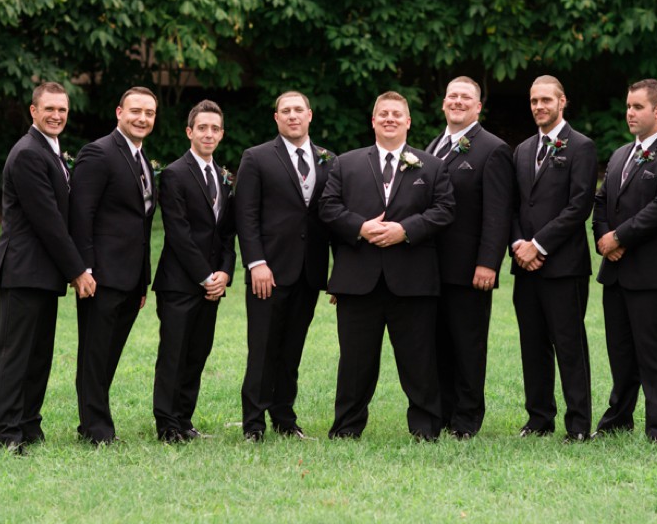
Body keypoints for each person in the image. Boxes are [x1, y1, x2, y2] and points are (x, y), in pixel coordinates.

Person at [319, 91, 454, 441]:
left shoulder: (432, 166)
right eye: (383, 114)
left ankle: (425, 428)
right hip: (358, 280)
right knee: (355, 361)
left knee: (419, 359)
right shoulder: (345, 164)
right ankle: (347, 427)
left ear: (408, 122)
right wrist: (361, 227)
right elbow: (328, 208)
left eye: (397, 114)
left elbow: (444, 211)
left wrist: (404, 230)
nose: (390, 119)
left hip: (413, 280)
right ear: (373, 121)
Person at [0, 82, 96, 451]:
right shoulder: (28, 154)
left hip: (42, 273)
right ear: (33, 111)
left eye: (62, 110)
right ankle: (6, 433)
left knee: (38, 355)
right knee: (15, 355)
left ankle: (28, 425)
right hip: (23, 270)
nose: (56, 115)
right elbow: (48, 221)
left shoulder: (49, 150)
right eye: (49, 109)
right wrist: (78, 270)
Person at [593, 79, 657, 441]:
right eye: (628, 106)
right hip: (616, 272)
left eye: (637, 107)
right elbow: (602, 202)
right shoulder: (621, 154)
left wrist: (619, 237)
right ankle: (618, 420)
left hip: (653, 274)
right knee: (620, 353)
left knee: (656, 353)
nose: (629, 113)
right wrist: (604, 240)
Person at [235, 91, 334, 442]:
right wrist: (256, 263)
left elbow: (332, 218)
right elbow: (244, 216)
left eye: (298, 110)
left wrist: (336, 275)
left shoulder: (328, 160)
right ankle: (254, 424)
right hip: (269, 271)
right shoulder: (257, 158)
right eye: (285, 111)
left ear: (310, 115)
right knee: (262, 348)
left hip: (309, 271)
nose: (293, 116)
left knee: (292, 349)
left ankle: (285, 418)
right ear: (276, 117)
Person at [510, 75, 598, 443]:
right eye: (533, 101)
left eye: (546, 100)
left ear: (563, 102)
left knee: (569, 344)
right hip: (524, 265)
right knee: (532, 344)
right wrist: (518, 243)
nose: (539, 106)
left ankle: (578, 424)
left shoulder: (581, 147)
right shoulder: (522, 149)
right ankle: (539, 418)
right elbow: (513, 204)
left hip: (563, 266)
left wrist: (539, 245)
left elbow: (579, 206)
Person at [426, 76, 513, 439]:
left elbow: (498, 211)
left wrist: (488, 262)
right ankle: (444, 412)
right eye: (452, 96)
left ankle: (467, 418)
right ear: (444, 103)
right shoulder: (432, 146)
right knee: (438, 344)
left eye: (466, 97)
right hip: (431, 268)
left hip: (470, 268)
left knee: (467, 345)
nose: (457, 102)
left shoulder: (492, 149)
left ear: (478, 107)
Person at [70, 86, 158, 445]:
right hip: (100, 277)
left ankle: (92, 423)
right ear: (119, 112)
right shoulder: (98, 153)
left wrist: (141, 282)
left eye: (149, 113)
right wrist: (84, 269)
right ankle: (96, 430)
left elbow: (142, 224)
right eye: (135, 110)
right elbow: (81, 215)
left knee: (109, 353)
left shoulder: (142, 160)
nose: (142, 118)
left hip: (130, 279)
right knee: (95, 353)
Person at [151, 100, 236, 443]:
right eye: (202, 127)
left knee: (198, 353)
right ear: (190, 131)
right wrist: (205, 276)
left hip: (213, 284)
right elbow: (179, 233)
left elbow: (228, 233)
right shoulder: (174, 173)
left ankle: (185, 420)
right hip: (180, 283)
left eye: (215, 128)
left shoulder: (226, 176)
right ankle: (167, 424)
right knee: (174, 354)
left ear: (221, 134)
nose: (209, 134)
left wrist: (225, 274)